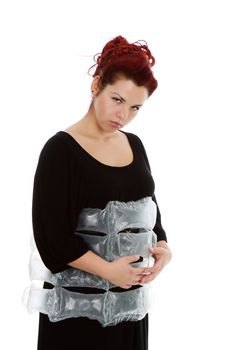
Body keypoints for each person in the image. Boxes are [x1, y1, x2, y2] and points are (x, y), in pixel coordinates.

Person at [29, 35, 172, 350]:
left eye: (135, 107)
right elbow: (51, 239)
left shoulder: (134, 144)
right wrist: (108, 271)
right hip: (77, 312)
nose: (123, 115)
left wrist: (162, 246)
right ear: (96, 86)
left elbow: (148, 209)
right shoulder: (60, 150)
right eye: (117, 99)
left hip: (130, 306)